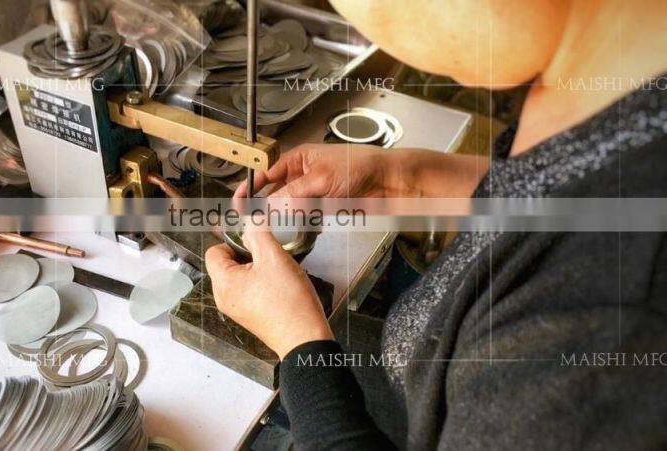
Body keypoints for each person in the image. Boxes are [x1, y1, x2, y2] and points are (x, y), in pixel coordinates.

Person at [206, 1, 667, 449]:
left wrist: (300, 344)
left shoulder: (616, 323)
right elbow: (553, 193)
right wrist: (401, 176)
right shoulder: (619, 83)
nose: (378, 30)